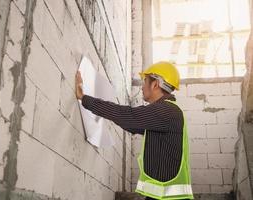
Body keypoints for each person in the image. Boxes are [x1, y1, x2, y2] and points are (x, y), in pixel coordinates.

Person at [75, 61, 193, 200]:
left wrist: (84, 98)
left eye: (145, 82)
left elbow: (128, 116)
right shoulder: (166, 113)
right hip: (163, 196)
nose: (142, 87)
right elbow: (131, 124)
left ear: (155, 84)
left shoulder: (166, 110)